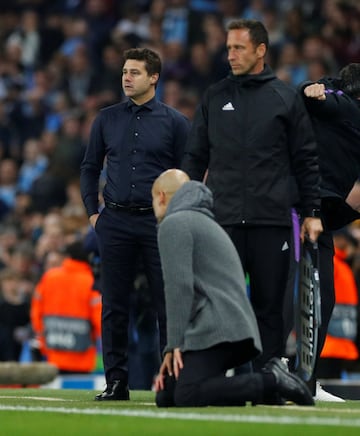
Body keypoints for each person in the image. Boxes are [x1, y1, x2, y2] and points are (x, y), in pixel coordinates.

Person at [181, 19, 323, 371]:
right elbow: (194, 157)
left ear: (261, 50)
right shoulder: (214, 96)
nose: (230, 55)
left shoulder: (285, 97)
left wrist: (312, 212)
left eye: (239, 47)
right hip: (222, 220)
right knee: (217, 304)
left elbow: (305, 159)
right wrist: (183, 208)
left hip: (270, 220)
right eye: (228, 47)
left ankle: (268, 379)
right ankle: (213, 376)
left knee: (269, 307)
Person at [80, 47, 190, 401]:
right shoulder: (106, 118)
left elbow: (188, 174)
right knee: (114, 305)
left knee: (167, 304)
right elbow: (89, 167)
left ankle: (171, 382)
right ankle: (116, 382)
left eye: (135, 72)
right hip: (114, 220)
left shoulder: (175, 122)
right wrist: (92, 214)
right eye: (125, 71)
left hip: (159, 224)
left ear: (154, 77)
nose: (127, 77)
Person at [151, 169, 314, 407]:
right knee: (167, 395)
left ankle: (271, 381)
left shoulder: (174, 224)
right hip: (234, 329)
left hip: (217, 330)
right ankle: (239, 391)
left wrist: (174, 344)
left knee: (187, 394)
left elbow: (179, 289)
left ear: (162, 196)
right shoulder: (205, 222)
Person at [297, 63, 360, 400]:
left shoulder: (339, 100)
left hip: (319, 210)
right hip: (301, 209)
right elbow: (317, 96)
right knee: (296, 294)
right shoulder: (344, 105)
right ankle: (287, 372)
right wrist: (311, 89)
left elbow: (316, 90)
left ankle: (304, 377)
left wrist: (311, 87)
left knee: (321, 296)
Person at [30, 240, 101, 373]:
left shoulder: (49, 277)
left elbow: (36, 311)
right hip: (82, 357)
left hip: (53, 353)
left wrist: (42, 336)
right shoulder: (91, 282)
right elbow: (99, 318)